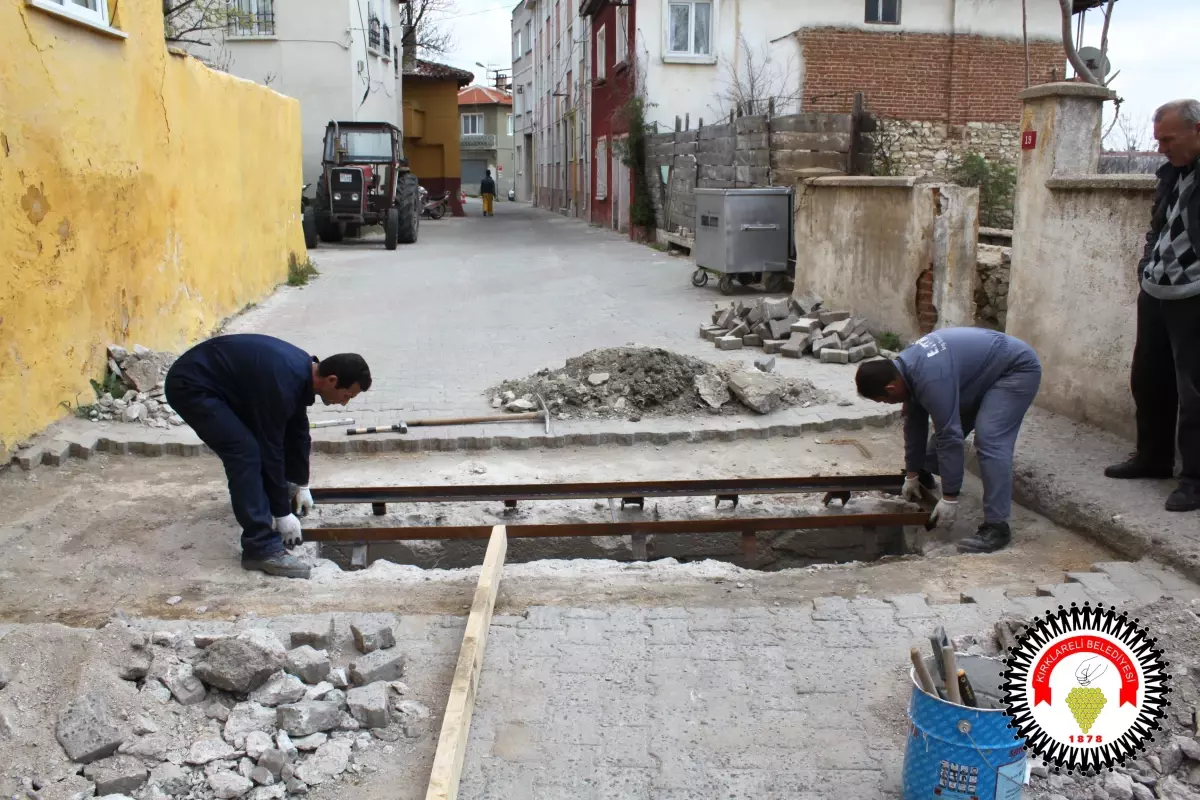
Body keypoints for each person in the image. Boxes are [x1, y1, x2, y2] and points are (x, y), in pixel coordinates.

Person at [165, 334, 371, 579]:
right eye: (347, 396)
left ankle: (267, 502)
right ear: (332, 380)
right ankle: (260, 548)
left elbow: (298, 432)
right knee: (244, 451)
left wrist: (300, 484)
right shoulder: (282, 382)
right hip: (193, 387)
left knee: (266, 443)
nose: (344, 404)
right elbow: (270, 448)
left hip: (219, 382)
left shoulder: (300, 374)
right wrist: (283, 513)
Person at [855, 328, 1042, 554]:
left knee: (990, 439)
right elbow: (914, 425)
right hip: (978, 376)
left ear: (891, 388)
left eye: (884, 401)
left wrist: (950, 497)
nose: (888, 404)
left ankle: (997, 526)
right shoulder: (905, 370)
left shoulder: (930, 377)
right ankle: (926, 474)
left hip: (1014, 370)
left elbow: (950, 436)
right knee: (942, 433)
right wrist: (912, 474)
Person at [1104, 99, 1200, 513]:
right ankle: (1153, 457)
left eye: (1168, 138)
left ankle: (1195, 479)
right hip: (1157, 291)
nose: (1160, 146)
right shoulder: (1170, 173)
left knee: (1195, 391)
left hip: (1194, 296)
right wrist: (1147, 265)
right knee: (1148, 378)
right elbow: (1157, 227)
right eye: (1158, 138)